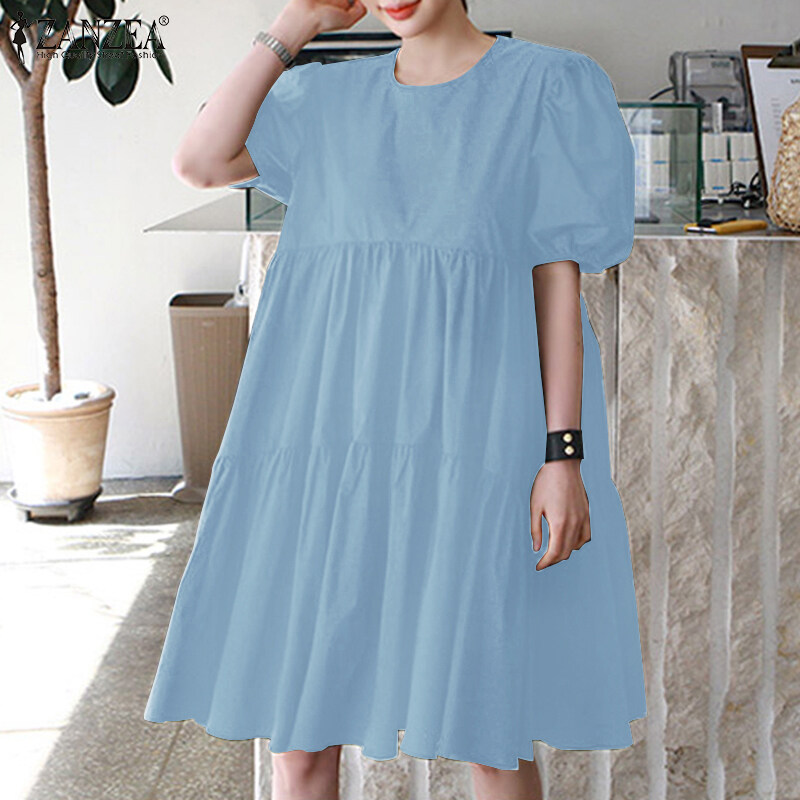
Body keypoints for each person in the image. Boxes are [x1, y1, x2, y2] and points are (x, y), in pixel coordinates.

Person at [144, 1, 647, 798]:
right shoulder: (324, 98)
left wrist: (563, 455)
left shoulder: (547, 86)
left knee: (488, 730)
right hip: (323, 445)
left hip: (472, 445)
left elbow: (556, 282)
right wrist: (298, 21)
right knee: (301, 741)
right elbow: (199, 162)